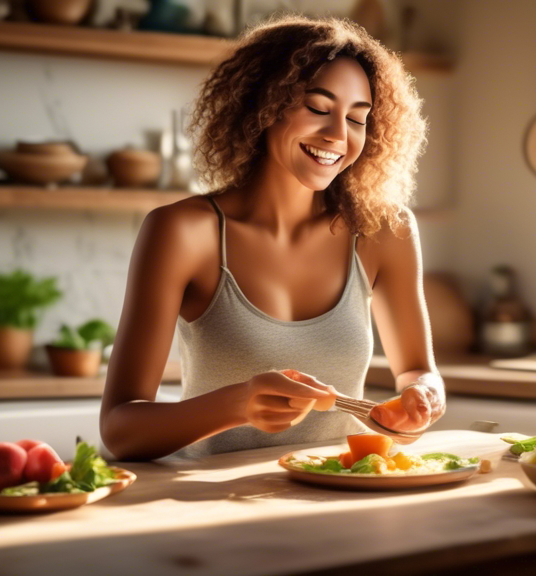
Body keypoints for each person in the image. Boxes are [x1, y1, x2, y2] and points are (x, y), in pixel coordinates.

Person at [100, 15, 444, 460]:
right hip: (213, 505)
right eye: (318, 108)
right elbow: (120, 427)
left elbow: (418, 369)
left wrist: (422, 396)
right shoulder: (183, 233)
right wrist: (236, 404)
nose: (339, 135)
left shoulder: (384, 231)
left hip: (339, 496)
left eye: (358, 119)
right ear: (261, 105)